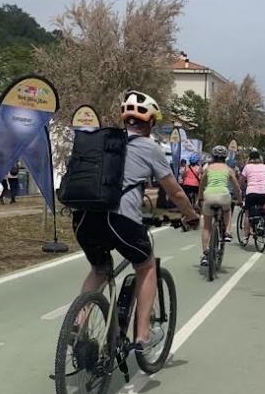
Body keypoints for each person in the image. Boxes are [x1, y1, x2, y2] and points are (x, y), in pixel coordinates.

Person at [73, 91, 199, 353]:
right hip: (119, 220)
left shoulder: (102, 141)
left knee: (99, 268)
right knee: (146, 266)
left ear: (124, 119)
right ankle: (142, 336)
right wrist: (190, 214)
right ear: (151, 122)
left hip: (83, 217)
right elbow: (175, 192)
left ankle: (78, 322)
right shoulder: (150, 148)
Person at [198, 145, 242, 265]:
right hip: (223, 195)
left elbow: (202, 184)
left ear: (213, 156)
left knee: (207, 227)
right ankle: (227, 232)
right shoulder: (228, 169)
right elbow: (236, 187)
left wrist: (200, 198)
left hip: (209, 196)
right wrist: (240, 200)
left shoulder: (208, 168)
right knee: (227, 211)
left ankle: (205, 254)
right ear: (225, 157)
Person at [240, 148, 265, 239]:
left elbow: (241, 181)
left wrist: (242, 187)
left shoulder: (247, 167)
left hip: (251, 192)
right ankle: (264, 225)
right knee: (264, 208)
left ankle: (247, 235)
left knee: (247, 213)